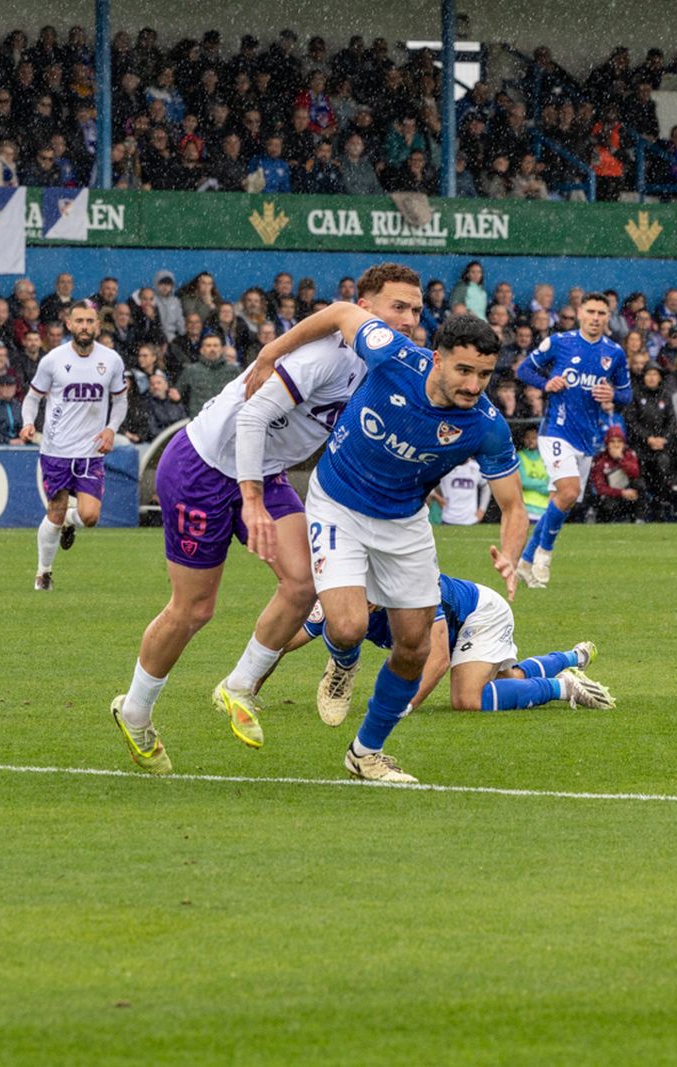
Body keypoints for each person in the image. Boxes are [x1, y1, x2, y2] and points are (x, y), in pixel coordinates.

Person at [111, 264, 427, 770]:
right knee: (193, 609)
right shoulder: (327, 356)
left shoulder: (388, 362)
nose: (409, 319)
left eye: (416, 310)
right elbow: (253, 415)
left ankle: (238, 686)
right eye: (399, 307)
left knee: (304, 583)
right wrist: (252, 500)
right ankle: (135, 711)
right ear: (365, 310)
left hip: (263, 469)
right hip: (202, 467)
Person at [240, 306, 528, 784]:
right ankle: (343, 662)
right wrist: (272, 350)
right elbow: (341, 312)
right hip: (338, 500)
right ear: (437, 359)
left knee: (414, 648)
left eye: (484, 374)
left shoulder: (486, 424)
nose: (474, 385)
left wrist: (512, 557)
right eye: (464, 370)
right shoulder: (391, 354)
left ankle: (365, 752)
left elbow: (513, 506)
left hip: (404, 523)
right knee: (347, 626)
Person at [283, 573, 612, 713]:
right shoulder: (341, 601)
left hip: (481, 615)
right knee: (509, 680)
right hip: (465, 625)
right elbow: (287, 639)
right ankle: (574, 657)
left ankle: (564, 687)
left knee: (467, 698)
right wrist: (254, 677)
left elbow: (438, 659)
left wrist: (403, 706)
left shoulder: (414, 590)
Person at [512, 292, 630, 588]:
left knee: (561, 501)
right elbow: (524, 370)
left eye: (601, 313)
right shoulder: (560, 342)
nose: (595, 318)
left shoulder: (614, 353)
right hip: (556, 430)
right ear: (580, 313)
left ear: (608, 317)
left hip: (587, 437)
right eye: (591, 312)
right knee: (568, 491)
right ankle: (544, 554)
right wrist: (546, 383)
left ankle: (525, 561)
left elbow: (627, 394)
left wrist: (613, 394)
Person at [19, 303, 127, 591]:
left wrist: (111, 428)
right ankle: (43, 573)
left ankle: (69, 520)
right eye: (79, 321)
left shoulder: (111, 360)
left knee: (89, 516)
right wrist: (28, 422)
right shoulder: (53, 360)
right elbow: (32, 397)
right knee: (54, 509)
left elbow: (121, 401)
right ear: (69, 324)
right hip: (56, 449)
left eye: (90, 321)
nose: (84, 326)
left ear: (98, 325)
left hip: (91, 452)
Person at [433, 458, 490, 525]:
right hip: (448, 519)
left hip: (471, 520)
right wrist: (436, 497)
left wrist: (482, 510)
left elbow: (486, 486)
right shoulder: (444, 466)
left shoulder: (476, 467)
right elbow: (426, 481)